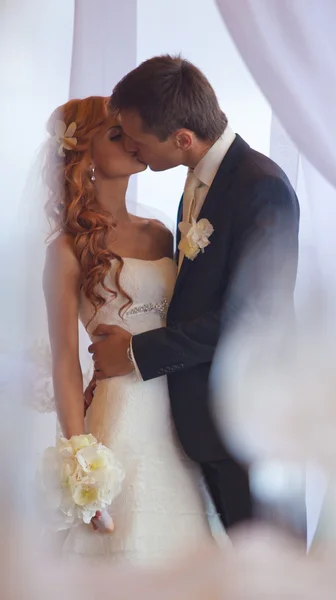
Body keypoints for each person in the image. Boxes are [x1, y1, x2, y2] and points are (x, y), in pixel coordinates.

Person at [88, 55, 301, 531]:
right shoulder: (196, 183)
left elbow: (252, 319)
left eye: (138, 141)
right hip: (204, 426)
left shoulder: (260, 187)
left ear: (182, 139)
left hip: (250, 425)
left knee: (267, 572)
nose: (134, 152)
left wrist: (136, 353)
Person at [43, 96, 222, 565]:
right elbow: (65, 358)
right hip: (121, 413)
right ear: (83, 151)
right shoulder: (67, 248)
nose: (133, 143)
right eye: (115, 134)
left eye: (131, 131)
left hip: (178, 411)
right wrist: (81, 464)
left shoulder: (162, 233)